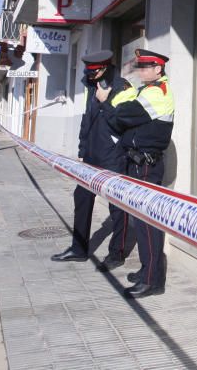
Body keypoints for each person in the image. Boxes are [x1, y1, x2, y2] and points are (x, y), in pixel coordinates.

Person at [51, 50, 137, 264]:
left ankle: (116, 253)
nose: (90, 75)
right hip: (91, 155)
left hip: (113, 156)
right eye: (88, 72)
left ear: (105, 68)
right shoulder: (92, 84)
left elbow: (122, 123)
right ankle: (78, 249)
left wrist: (104, 101)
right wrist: (82, 151)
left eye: (94, 72)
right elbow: (87, 120)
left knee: (117, 206)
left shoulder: (123, 88)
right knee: (81, 198)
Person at [107, 48, 175, 298]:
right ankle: (148, 269)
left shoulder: (159, 92)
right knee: (140, 218)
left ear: (158, 69)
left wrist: (116, 107)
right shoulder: (143, 90)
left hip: (146, 165)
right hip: (136, 163)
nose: (141, 71)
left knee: (147, 222)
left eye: (146, 66)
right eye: (140, 66)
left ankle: (152, 280)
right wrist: (116, 106)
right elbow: (117, 112)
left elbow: (121, 115)